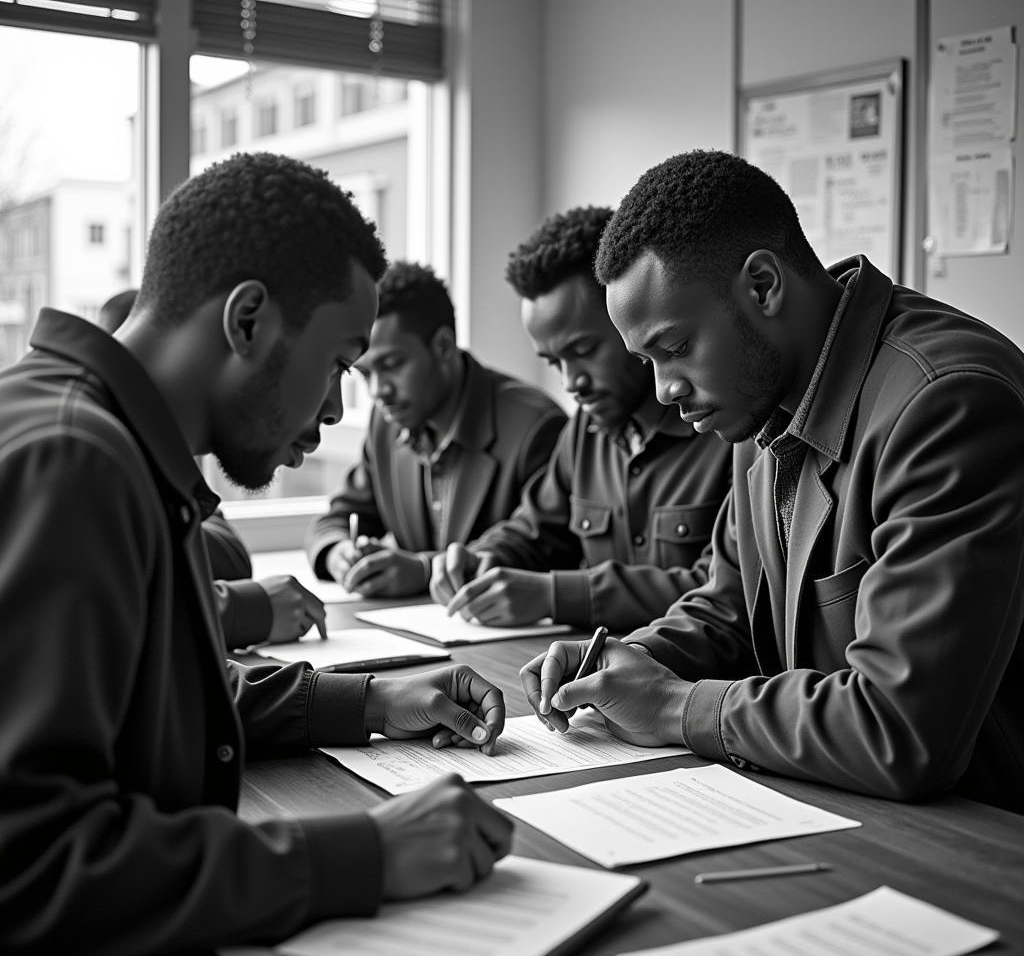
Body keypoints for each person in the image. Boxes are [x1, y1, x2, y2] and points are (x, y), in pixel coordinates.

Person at [0, 152, 514, 956]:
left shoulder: (105, 441)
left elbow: (148, 691)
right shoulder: (77, 462)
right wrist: (372, 853)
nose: (339, 407)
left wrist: (371, 702)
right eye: (340, 362)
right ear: (247, 322)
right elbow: (29, 864)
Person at [522, 149, 1024, 814]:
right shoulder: (759, 397)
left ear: (762, 285)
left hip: (975, 837)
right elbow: (728, 609)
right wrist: (619, 664)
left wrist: (674, 706)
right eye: (645, 361)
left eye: (674, 349)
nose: (665, 390)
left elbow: (899, 728)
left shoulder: (946, 404)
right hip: (837, 806)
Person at [430, 205, 732, 631]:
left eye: (584, 351)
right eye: (554, 362)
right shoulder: (585, 429)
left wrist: (555, 596)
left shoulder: (727, 425)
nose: (572, 382)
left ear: (628, 319)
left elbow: (721, 587)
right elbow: (534, 529)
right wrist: (483, 559)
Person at [306, 261, 566, 598]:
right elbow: (339, 516)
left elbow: (540, 548)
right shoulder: (384, 424)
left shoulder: (536, 427)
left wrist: (424, 571)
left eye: (391, 365)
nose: (378, 391)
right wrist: (338, 552)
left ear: (443, 346)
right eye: (366, 373)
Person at [98, 288, 325, 648]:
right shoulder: (84, 455)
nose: (333, 411)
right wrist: (242, 610)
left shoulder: (165, 451)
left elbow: (231, 558)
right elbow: (114, 626)